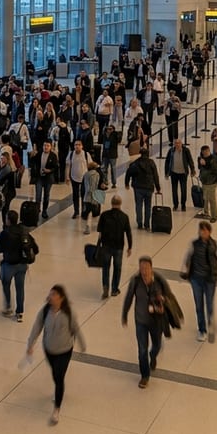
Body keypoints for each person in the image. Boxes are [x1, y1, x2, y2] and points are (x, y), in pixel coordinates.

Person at [26, 285, 86, 425]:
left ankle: (56, 409)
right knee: (55, 374)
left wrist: (82, 345)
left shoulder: (68, 313)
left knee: (59, 377)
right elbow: (37, 327)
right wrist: (30, 344)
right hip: (49, 349)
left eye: (54, 295)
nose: (51, 297)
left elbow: (76, 329)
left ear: (61, 298)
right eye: (50, 294)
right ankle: (57, 389)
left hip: (65, 350)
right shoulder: (45, 310)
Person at [121, 256, 169, 389]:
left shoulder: (159, 280)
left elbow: (168, 296)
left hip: (156, 321)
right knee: (142, 350)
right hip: (141, 320)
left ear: (151, 268)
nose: (144, 271)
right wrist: (124, 314)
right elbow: (129, 298)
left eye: (146, 268)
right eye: (141, 268)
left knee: (157, 345)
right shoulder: (135, 281)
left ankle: (153, 356)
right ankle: (145, 376)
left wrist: (162, 301)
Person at [181, 222, 217, 342]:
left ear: (210, 232)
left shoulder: (214, 245)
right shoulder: (194, 245)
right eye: (201, 230)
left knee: (209, 304)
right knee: (199, 305)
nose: (203, 233)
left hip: (210, 279)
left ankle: (210, 320)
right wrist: (187, 270)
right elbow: (187, 258)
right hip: (196, 279)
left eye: (205, 231)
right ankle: (202, 329)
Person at [0, 210, 37, 322]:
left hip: (9, 265)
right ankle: (19, 312)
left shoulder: (5, 233)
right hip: (22, 265)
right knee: (20, 288)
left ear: (8, 220)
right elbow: (35, 247)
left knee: (6, 285)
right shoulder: (24, 231)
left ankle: (8, 307)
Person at [96, 195, 133, 299]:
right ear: (120, 204)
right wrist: (130, 247)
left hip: (106, 245)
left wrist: (98, 246)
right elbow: (128, 233)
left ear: (111, 203)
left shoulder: (104, 215)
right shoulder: (124, 217)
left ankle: (105, 287)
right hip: (118, 247)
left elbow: (100, 233)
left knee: (106, 268)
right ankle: (114, 289)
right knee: (117, 268)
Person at [124, 148, 162, 230]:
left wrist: (126, 183)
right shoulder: (151, 162)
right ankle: (147, 224)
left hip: (138, 187)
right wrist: (158, 187)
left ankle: (139, 223)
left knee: (138, 205)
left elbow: (128, 173)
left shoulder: (135, 163)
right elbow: (155, 175)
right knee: (148, 206)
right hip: (149, 187)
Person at [163, 138, 194, 212]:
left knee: (183, 190)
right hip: (174, 173)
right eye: (175, 143)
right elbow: (167, 162)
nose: (177, 145)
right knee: (174, 190)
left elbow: (190, 160)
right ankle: (175, 205)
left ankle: (183, 205)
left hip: (183, 173)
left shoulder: (186, 150)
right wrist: (166, 172)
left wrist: (192, 170)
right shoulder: (171, 151)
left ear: (181, 143)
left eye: (178, 143)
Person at [196, 146, 217, 223]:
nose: (206, 153)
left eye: (207, 152)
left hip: (212, 182)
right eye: (204, 152)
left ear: (209, 151)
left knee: (212, 199)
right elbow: (199, 167)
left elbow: (213, 169)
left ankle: (214, 216)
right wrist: (200, 163)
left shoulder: (213, 159)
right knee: (205, 198)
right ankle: (206, 212)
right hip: (204, 181)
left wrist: (205, 163)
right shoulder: (200, 158)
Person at [34, 140, 59, 219]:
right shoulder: (39, 154)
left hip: (48, 178)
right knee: (38, 195)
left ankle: (45, 210)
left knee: (46, 195)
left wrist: (50, 170)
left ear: (50, 147)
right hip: (39, 177)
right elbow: (34, 163)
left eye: (47, 146)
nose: (46, 147)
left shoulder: (53, 156)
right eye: (44, 145)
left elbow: (56, 167)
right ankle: (37, 209)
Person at [66, 139, 90, 219]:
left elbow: (90, 165)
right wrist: (67, 177)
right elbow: (68, 166)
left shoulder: (86, 154)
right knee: (75, 195)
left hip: (84, 178)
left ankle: (84, 211)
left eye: (79, 145)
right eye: (76, 145)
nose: (77, 146)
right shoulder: (71, 154)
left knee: (84, 195)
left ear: (82, 146)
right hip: (74, 177)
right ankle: (76, 211)